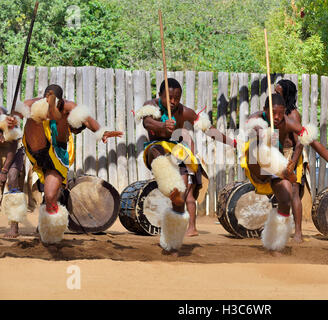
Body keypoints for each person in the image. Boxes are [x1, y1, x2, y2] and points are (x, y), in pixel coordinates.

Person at [135, 78, 235, 254]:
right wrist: (162, 125)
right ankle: (168, 183)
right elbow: (147, 123)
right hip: (156, 149)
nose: (173, 102)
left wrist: (233, 142)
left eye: (177, 98)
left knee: (180, 199)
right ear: (160, 96)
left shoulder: (184, 112)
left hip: (178, 152)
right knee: (156, 149)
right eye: (170, 98)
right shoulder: (151, 106)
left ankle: (172, 243)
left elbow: (209, 130)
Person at [14, 84, 123, 244]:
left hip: (58, 153)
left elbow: (88, 120)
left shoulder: (68, 107)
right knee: (34, 115)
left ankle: (51, 232)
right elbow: (13, 116)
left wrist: (102, 132)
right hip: (37, 149)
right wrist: (8, 123)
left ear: (61, 101)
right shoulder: (33, 104)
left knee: (51, 195)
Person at [274, 79, 328, 243]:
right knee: (278, 192)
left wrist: (292, 163)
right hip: (278, 154)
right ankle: (277, 230)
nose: (275, 95)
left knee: (294, 193)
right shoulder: (274, 112)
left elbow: (301, 141)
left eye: (278, 93)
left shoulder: (293, 115)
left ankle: (298, 233)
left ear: (286, 95)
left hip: (292, 155)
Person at [0, 106, 27, 238]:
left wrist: (4, 171)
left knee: (12, 178)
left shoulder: (7, 120)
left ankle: (14, 227)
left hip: (14, 151)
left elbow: (13, 147)